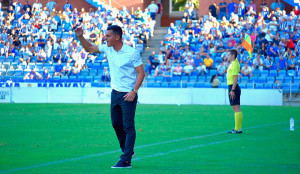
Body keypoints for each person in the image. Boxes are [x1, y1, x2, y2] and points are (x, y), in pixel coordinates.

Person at [75, 25, 145, 168]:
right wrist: (80, 36)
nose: (104, 38)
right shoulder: (108, 48)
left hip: (128, 94)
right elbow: (90, 48)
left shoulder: (131, 53)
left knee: (128, 126)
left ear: (117, 37)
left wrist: (134, 91)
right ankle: (128, 151)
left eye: (107, 36)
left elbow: (141, 73)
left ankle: (126, 160)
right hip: (115, 93)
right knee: (116, 124)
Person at [226, 49, 243, 134]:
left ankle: (238, 129)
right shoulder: (233, 63)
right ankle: (237, 128)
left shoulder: (234, 64)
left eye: (228, 55)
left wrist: (232, 89)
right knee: (235, 108)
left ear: (232, 56)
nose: (227, 56)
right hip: (232, 86)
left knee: (236, 108)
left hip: (233, 87)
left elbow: (235, 77)